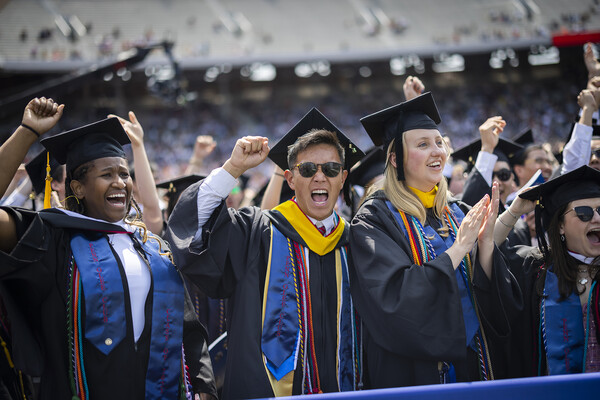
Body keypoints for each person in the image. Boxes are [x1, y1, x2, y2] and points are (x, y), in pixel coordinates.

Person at [0, 98, 216, 400]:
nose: (120, 183)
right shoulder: (53, 239)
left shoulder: (152, 248)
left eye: (124, 174)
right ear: (77, 188)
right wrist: (26, 132)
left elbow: (188, 329)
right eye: (107, 175)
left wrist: (205, 387)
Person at [166, 108, 365, 399]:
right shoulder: (257, 233)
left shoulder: (357, 242)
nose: (320, 177)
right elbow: (191, 227)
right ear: (290, 178)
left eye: (331, 169)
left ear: (343, 177)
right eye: (308, 169)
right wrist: (232, 169)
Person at [349, 92, 522, 388]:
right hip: (417, 372)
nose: (437, 152)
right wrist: (459, 249)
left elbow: (493, 297)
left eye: (439, 142)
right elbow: (394, 296)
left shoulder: (455, 211)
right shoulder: (374, 219)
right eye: (423, 144)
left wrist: (484, 243)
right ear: (394, 159)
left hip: (475, 362)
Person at [494, 165, 600, 377]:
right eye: (584, 213)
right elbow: (487, 251)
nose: (597, 219)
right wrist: (514, 211)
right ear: (560, 225)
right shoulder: (537, 268)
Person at [452, 116, 523, 210]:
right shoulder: (455, 209)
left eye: (503, 174)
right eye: (488, 175)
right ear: (469, 179)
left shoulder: (520, 221)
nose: (496, 182)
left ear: (512, 178)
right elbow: (471, 206)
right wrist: (487, 149)